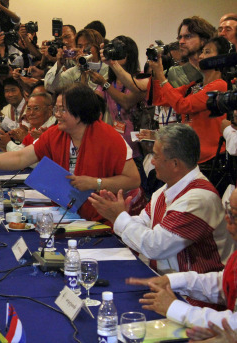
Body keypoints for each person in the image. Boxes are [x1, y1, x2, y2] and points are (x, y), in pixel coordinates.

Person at [90, 124, 235, 308]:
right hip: (171, 287)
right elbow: (142, 223)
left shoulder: (198, 198)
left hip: (199, 301)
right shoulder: (166, 190)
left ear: (175, 163)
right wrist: (121, 215)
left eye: (156, 156)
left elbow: (154, 246)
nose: (152, 162)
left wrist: (119, 217)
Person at [0, 83, 141, 221]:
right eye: (56, 109)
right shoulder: (56, 133)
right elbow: (20, 157)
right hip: (68, 213)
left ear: (81, 111)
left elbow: (133, 180)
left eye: (62, 109)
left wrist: (95, 182)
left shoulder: (109, 137)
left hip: (102, 219)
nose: (57, 114)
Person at [124, 187, 237, 338]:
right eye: (229, 211)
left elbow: (234, 324)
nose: (227, 219)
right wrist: (171, 280)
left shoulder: (199, 196)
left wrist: (175, 308)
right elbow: (224, 283)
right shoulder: (162, 192)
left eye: (234, 215)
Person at [150, 37, 232, 165]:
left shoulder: (220, 85)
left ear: (221, 58)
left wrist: (161, 75)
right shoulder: (195, 85)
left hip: (211, 159)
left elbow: (183, 106)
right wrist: (156, 72)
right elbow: (160, 99)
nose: (201, 56)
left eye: (207, 52)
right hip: (191, 157)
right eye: (202, 52)